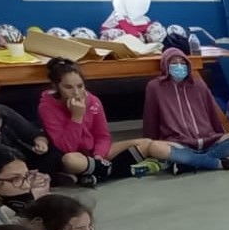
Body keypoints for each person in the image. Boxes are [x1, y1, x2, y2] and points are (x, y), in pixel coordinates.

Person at [37, 58, 179, 184]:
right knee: (71, 161)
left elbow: (103, 136)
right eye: (68, 87)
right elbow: (66, 148)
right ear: (56, 87)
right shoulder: (46, 107)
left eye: (80, 86)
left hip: (95, 153)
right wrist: (76, 117)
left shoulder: (93, 101)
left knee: (146, 143)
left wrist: (99, 155)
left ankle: (100, 173)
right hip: (74, 156)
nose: (76, 93)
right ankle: (116, 170)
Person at [141, 48, 229, 172]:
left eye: (183, 63)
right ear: (165, 65)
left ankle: (190, 162)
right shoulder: (155, 87)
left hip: (209, 141)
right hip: (179, 143)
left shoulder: (198, 84)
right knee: (155, 147)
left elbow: (212, 112)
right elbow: (150, 116)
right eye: (174, 63)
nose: (179, 66)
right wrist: (149, 143)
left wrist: (220, 136)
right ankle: (218, 163)